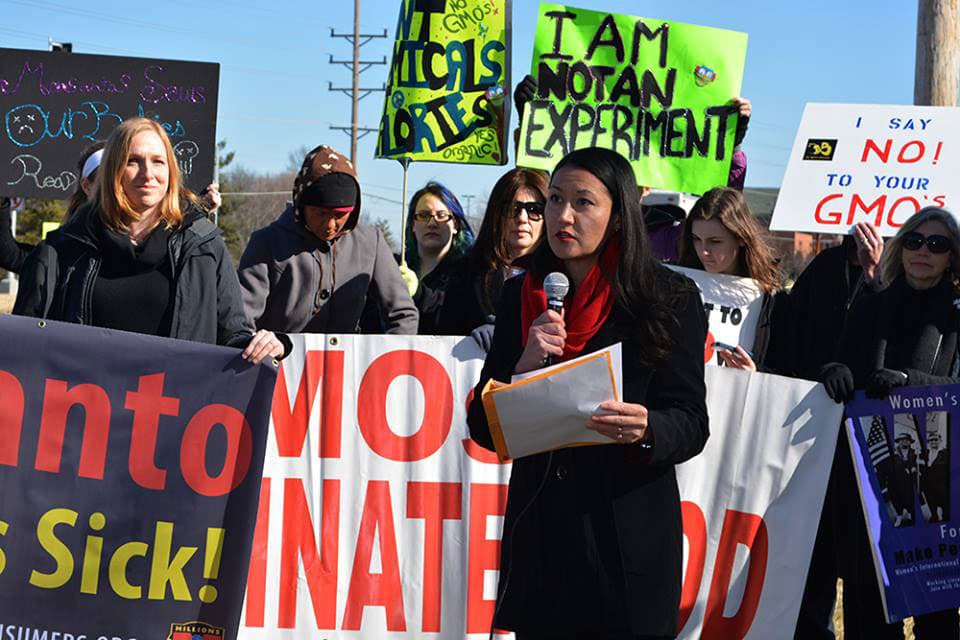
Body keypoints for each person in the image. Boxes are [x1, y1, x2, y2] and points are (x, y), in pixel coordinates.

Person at [467, 147, 709, 638]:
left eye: (583, 203)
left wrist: (648, 428)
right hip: (545, 542)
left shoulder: (669, 299)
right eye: (554, 200)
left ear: (618, 216)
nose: (562, 216)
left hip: (626, 536)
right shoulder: (521, 296)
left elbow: (690, 420)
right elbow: (483, 429)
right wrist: (520, 368)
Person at [13, 117, 282, 364]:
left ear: (171, 171)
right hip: (82, 410)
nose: (148, 173)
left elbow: (233, 335)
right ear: (112, 171)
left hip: (174, 410)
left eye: (158, 161)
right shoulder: (60, 250)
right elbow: (23, 346)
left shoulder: (203, 246)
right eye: (133, 161)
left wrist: (268, 345)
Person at [819, 206, 960, 639]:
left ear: (952, 257)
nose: (924, 251)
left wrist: (909, 383)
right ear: (902, 246)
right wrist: (834, 371)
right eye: (915, 240)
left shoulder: (957, 316)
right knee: (867, 610)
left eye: (937, 244)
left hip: (935, 488)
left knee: (937, 617)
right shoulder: (871, 305)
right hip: (869, 481)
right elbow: (841, 357)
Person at [238, 144, 418, 335]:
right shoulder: (267, 242)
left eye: (340, 214)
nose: (330, 224)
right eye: (320, 213)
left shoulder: (370, 242)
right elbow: (241, 319)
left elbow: (403, 314)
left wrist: (390, 361)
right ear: (301, 204)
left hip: (348, 361)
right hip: (280, 361)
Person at [435, 168, 549, 350]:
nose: (522, 218)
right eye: (513, 209)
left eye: (534, 210)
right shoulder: (465, 273)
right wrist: (469, 340)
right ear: (496, 213)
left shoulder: (560, 275)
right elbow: (445, 339)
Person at [676, 186, 788, 371]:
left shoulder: (770, 301)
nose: (703, 251)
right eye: (696, 239)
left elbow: (785, 369)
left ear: (741, 238)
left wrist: (754, 372)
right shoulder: (675, 282)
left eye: (715, 241)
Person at [402, 182, 474, 333]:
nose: (432, 223)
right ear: (413, 225)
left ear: (455, 225)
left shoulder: (470, 272)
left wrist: (419, 294)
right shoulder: (398, 267)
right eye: (423, 215)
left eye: (441, 216)